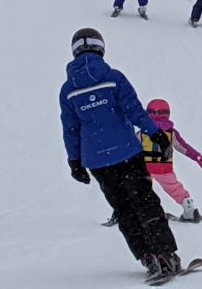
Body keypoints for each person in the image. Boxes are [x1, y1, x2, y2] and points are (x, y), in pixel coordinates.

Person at [59, 28, 183, 280]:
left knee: (124, 210)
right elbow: (136, 111)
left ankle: (147, 258)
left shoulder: (67, 90)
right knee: (145, 202)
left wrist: (75, 161)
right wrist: (155, 134)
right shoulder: (113, 78)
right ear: (100, 48)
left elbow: (71, 129)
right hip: (126, 152)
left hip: (97, 161)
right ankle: (166, 255)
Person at [138, 98, 202, 222]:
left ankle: (128, 213)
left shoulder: (144, 131)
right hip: (164, 168)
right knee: (174, 188)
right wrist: (197, 157)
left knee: (137, 188)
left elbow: (131, 146)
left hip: (145, 167)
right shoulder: (172, 133)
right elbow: (184, 147)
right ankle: (189, 209)